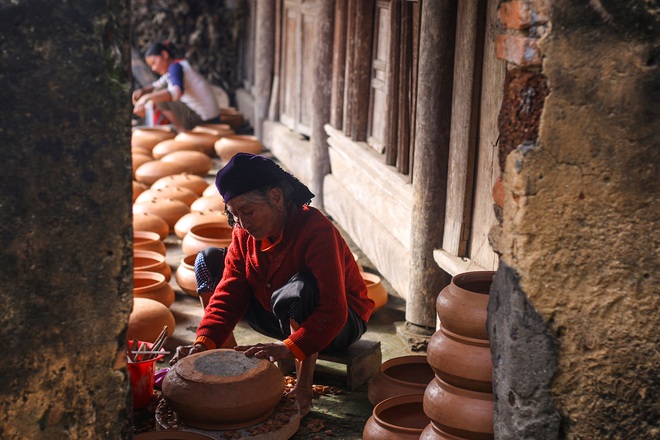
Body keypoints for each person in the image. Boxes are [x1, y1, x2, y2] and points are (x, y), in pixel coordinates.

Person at [170, 153, 375, 416]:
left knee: (301, 288)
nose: (243, 223)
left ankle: (303, 388)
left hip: (338, 325)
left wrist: (287, 348)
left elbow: (334, 310)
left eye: (248, 211)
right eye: (234, 214)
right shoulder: (243, 233)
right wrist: (203, 342)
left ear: (276, 198)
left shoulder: (315, 229)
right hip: (278, 314)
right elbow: (229, 294)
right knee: (206, 261)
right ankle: (227, 361)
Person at [132, 41, 221, 132]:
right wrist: (143, 91)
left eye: (154, 63)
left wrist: (147, 98)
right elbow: (157, 84)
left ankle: (182, 131)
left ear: (164, 54)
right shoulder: (177, 67)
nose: (153, 69)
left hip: (203, 121)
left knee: (159, 95)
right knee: (158, 91)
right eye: (151, 66)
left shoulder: (175, 67)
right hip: (211, 118)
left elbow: (176, 92)